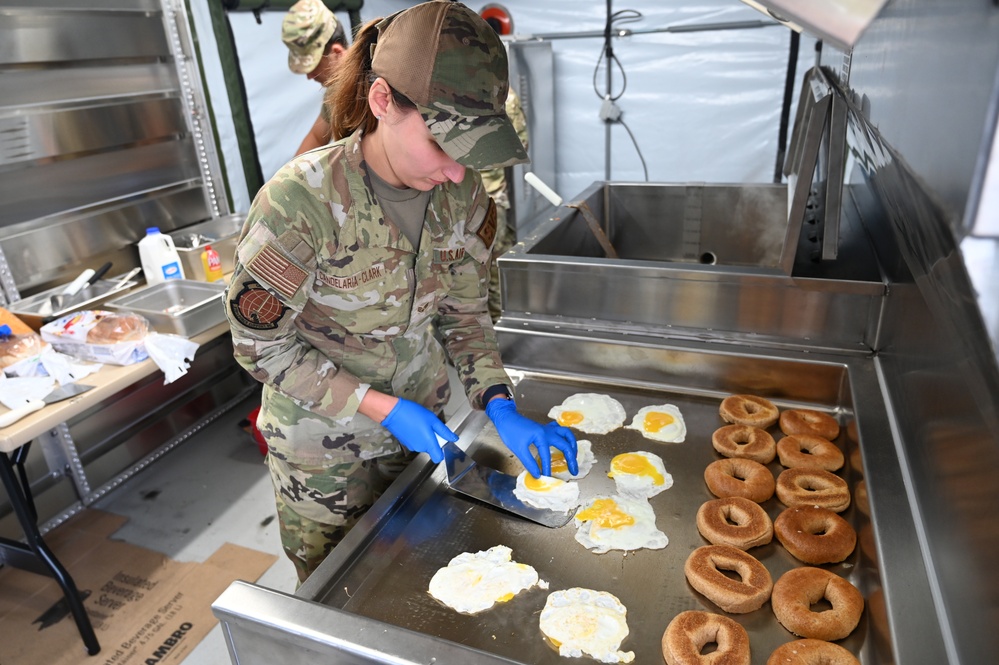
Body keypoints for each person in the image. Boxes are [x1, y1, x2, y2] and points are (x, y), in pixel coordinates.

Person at [227, 0, 578, 584]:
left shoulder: (462, 198)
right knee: (337, 594)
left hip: (425, 437)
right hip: (325, 458)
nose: (459, 173)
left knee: (419, 583)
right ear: (382, 101)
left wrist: (500, 403)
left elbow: (463, 311)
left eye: (473, 153)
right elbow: (259, 347)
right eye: (444, 146)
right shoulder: (301, 203)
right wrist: (382, 408)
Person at [281, 0, 348, 156]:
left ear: (337, 53)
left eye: (313, 66)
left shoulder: (373, 82)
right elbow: (317, 137)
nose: (309, 76)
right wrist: (285, 178)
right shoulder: (335, 92)